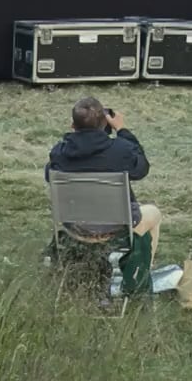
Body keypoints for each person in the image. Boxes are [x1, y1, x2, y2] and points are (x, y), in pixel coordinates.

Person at [46, 97, 161, 259]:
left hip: (75, 227)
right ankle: (139, 276)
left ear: (73, 125)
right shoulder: (121, 151)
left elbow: (48, 175)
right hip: (116, 228)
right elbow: (141, 169)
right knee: (153, 213)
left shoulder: (60, 153)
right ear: (104, 123)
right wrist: (122, 130)